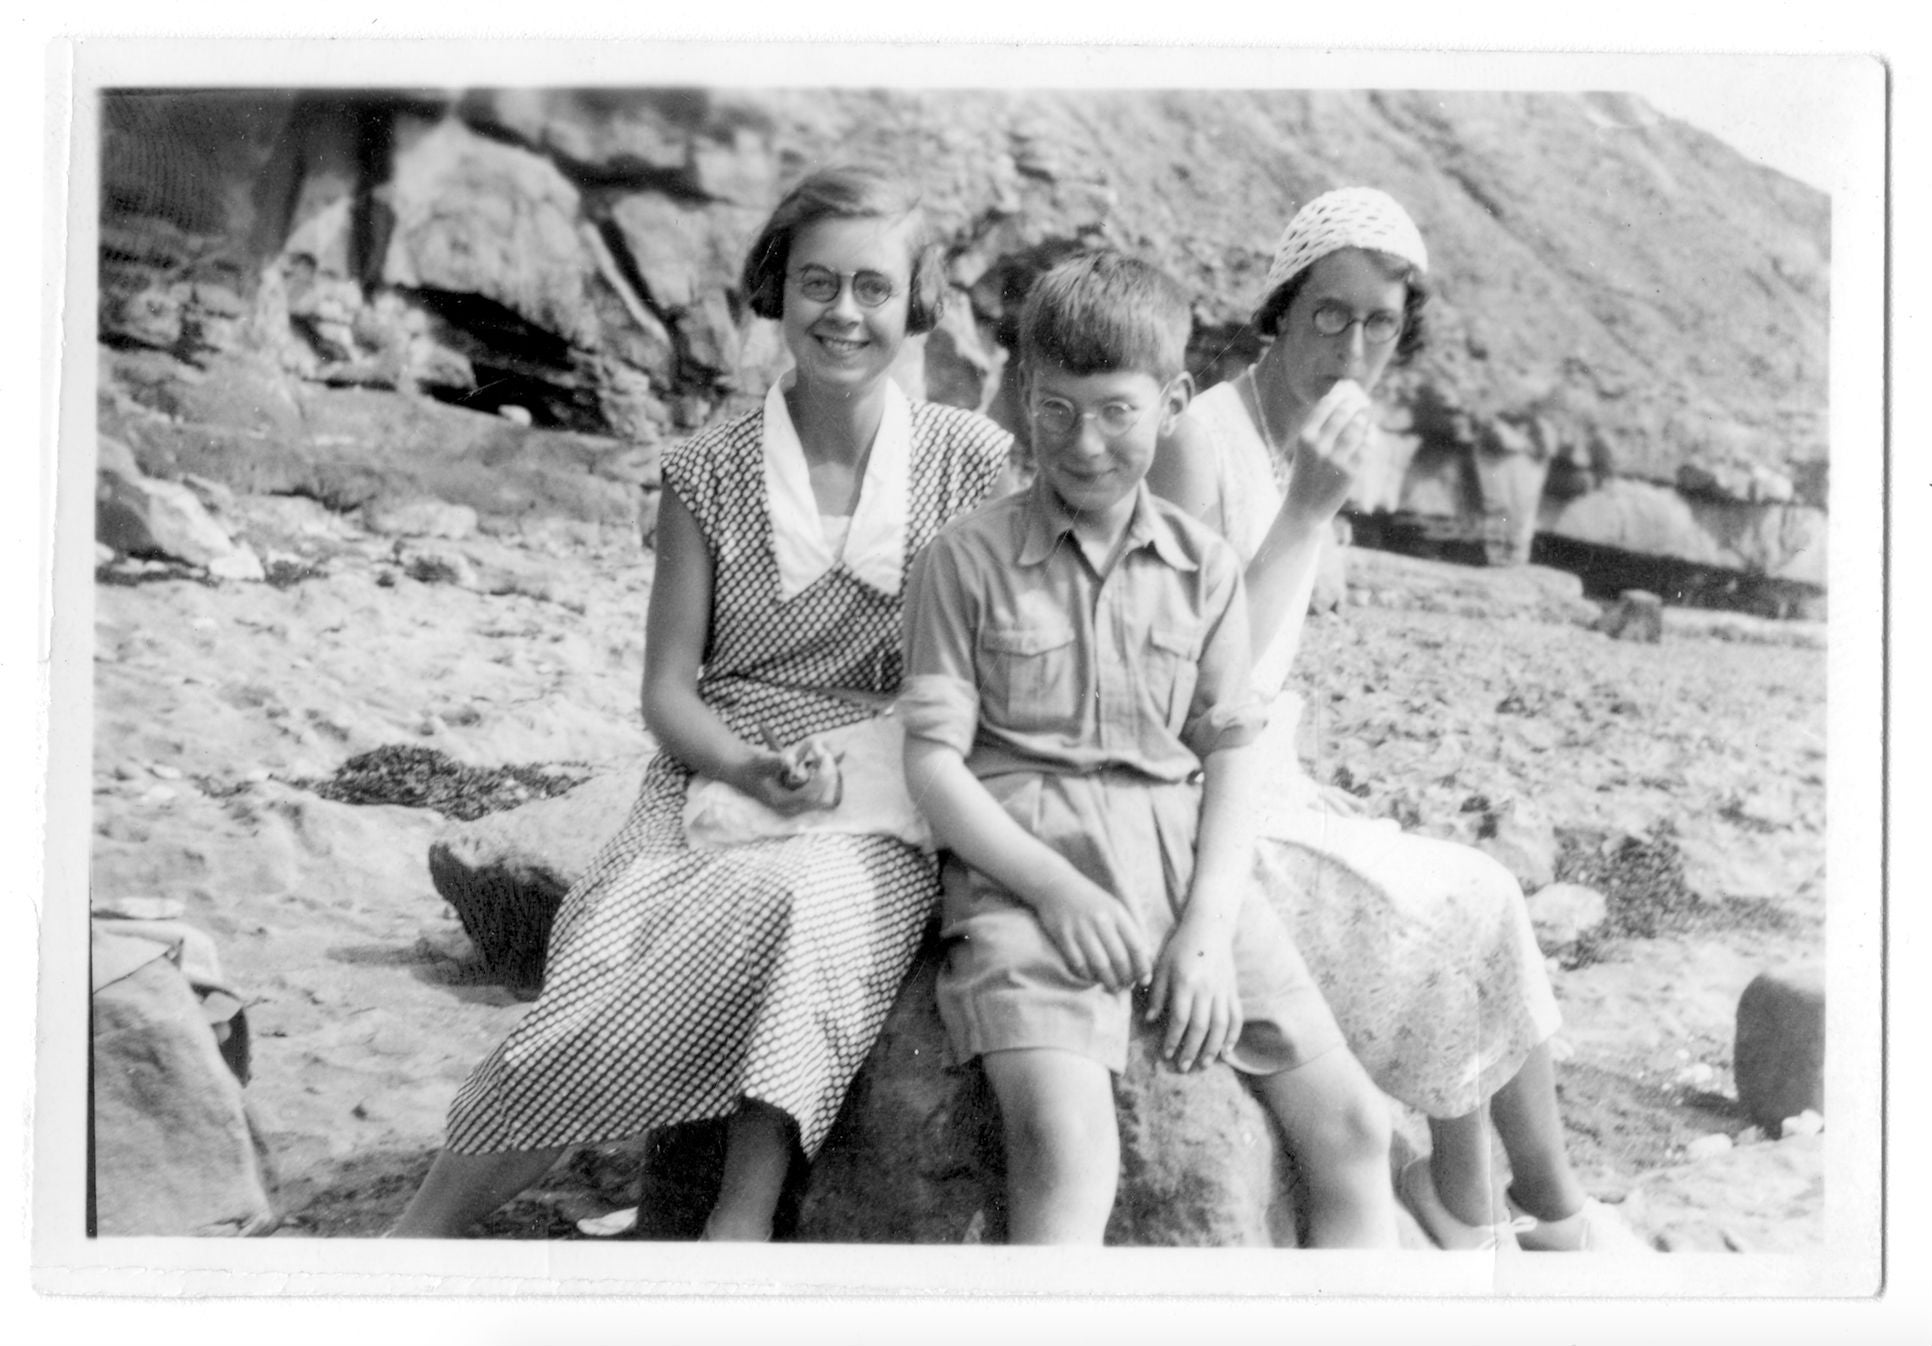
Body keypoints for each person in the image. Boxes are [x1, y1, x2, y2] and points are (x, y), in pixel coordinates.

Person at [390, 166, 1014, 1240]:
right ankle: (424, 1226)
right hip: (714, 762)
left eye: (874, 286)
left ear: (919, 303)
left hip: (888, 777)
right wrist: (741, 766)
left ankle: (741, 1213)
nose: (844, 313)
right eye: (817, 282)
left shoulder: (972, 460)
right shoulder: (708, 470)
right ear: (776, 289)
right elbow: (666, 693)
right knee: (604, 959)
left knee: (813, 898)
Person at [1148, 186, 1645, 1252]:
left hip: (1265, 774)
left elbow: (1276, 675)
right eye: (1330, 313)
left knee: (1487, 893)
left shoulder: (1310, 442)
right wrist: (1309, 512)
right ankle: (1491, 1207)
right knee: (1459, 896)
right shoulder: (1203, 438)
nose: (1353, 343)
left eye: (1380, 323)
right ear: (1280, 311)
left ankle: (1531, 1202)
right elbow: (1192, 685)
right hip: (1195, 801)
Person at [900, 251, 1399, 1247]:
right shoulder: (962, 559)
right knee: (1067, 1141)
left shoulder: (1208, 568)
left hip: (1181, 871)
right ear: (1021, 399)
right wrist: (1057, 889)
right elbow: (935, 767)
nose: (1085, 444)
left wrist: (1209, 929)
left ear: (1171, 402)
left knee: (1354, 1127)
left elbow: (1231, 754)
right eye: (1057, 409)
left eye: (1118, 411)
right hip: (1024, 879)